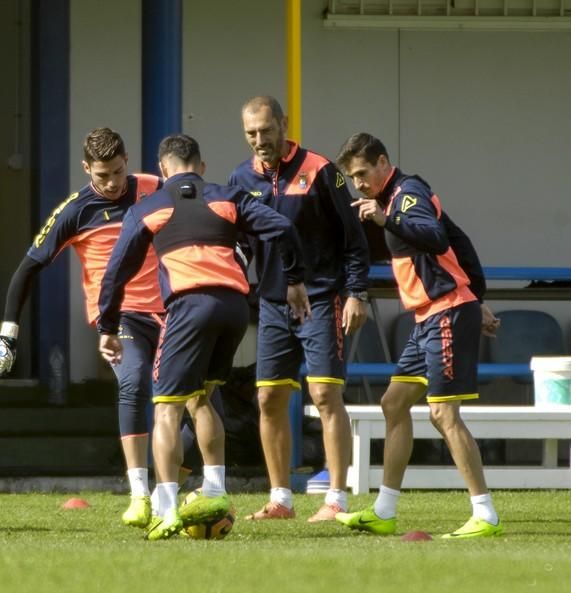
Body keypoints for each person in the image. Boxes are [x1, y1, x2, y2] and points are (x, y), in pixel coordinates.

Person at [96, 133, 308, 540]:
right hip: (232, 307)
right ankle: (214, 490)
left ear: (162, 170)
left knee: (166, 409)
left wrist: (108, 327)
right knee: (204, 395)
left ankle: (168, 506)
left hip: (189, 306)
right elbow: (282, 227)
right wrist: (294, 280)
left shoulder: (149, 207)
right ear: (202, 166)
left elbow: (115, 273)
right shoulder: (229, 197)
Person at [0, 127, 178, 528]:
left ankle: (166, 493)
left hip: (174, 312)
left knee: (197, 403)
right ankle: (139, 493)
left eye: (118, 172)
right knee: (134, 382)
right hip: (120, 318)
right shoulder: (75, 210)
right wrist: (7, 333)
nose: (112, 183)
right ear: (87, 168)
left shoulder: (156, 188)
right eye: (102, 176)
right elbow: (27, 268)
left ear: (127, 162)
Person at [333, 132, 503, 539]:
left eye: (362, 173)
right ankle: (384, 510)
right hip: (429, 316)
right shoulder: (389, 203)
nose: (358, 183)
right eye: (352, 177)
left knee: (444, 413)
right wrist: (475, 297)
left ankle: (485, 514)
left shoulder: (407, 194)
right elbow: (458, 241)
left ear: (382, 162)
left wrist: (384, 218)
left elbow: (436, 236)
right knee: (394, 403)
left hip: (444, 313)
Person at [229, 96, 371, 522]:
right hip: (272, 304)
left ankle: (336, 499)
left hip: (323, 299)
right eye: (251, 133)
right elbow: (238, 239)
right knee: (268, 397)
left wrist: (357, 293)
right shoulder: (239, 178)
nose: (259, 140)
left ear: (284, 125)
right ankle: (281, 499)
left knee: (325, 394)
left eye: (266, 130)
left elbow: (354, 240)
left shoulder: (321, 170)